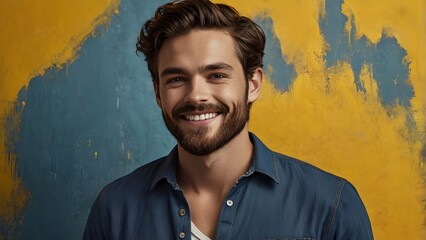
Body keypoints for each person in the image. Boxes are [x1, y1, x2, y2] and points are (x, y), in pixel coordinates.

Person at [83, 0, 374, 239]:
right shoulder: (114, 209)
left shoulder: (331, 206)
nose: (197, 95)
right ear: (158, 93)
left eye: (217, 75)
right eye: (176, 79)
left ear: (253, 84)